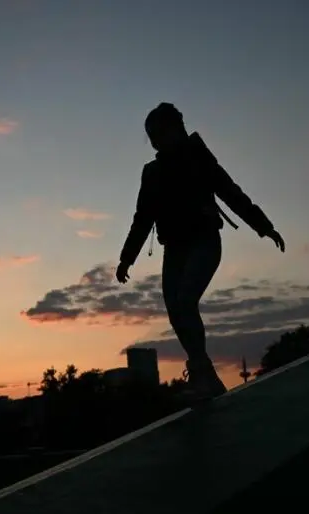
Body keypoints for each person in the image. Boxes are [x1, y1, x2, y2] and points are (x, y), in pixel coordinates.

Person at [116, 102, 285, 401]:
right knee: (175, 310)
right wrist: (127, 258)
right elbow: (142, 218)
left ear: (176, 128)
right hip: (175, 250)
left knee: (185, 300)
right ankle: (205, 375)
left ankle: (200, 372)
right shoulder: (152, 173)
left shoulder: (197, 155)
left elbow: (229, 190)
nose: (155, 139)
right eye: (151, 135)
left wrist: (263, 225)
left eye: (159, 132)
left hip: (205, 241)